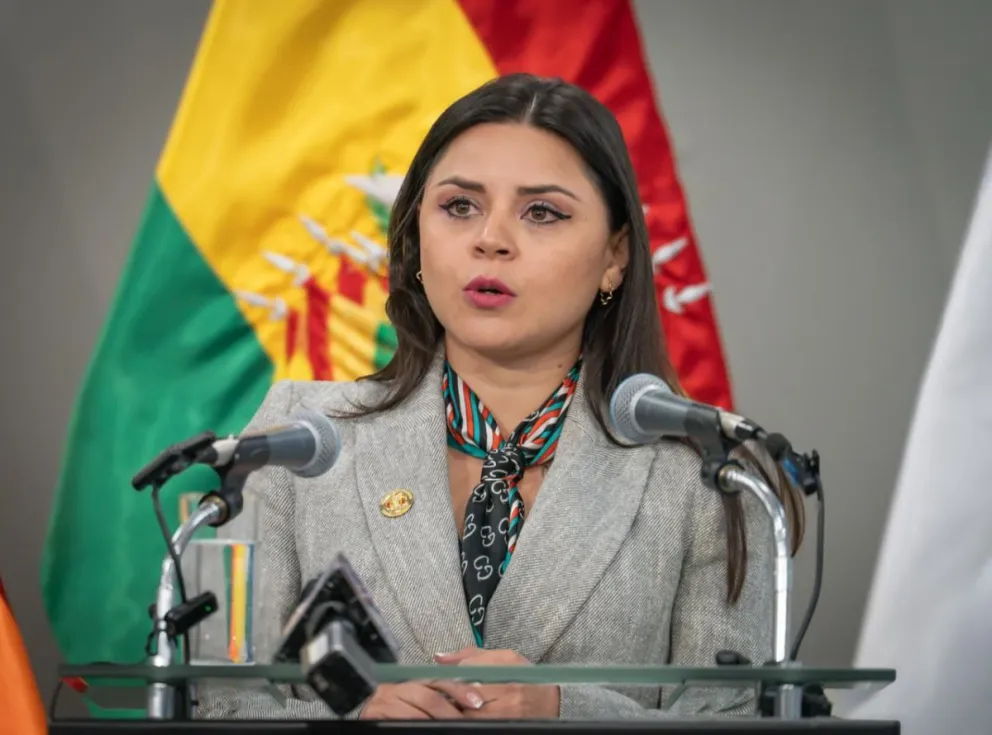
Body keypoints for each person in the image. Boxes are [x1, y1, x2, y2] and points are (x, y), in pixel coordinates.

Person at [197, 73, 805, 721]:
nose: (490, 238)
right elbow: (219, 705)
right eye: (460, 206)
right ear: (416, 238)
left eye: (542, 212)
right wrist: (359, 721)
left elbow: (735, 721)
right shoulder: (297, 440)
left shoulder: (709, 473)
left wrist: (562, 710)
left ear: (615, 256)